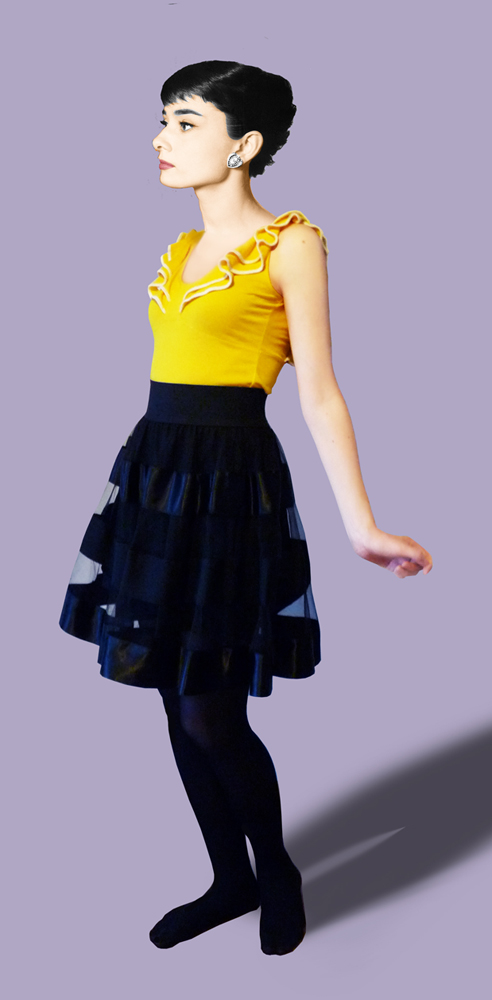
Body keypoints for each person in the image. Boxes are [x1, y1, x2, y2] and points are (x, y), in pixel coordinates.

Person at [59, 60, 432, 956]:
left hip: (228, 485)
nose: (161, 139)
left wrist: (361, 525)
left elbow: (320, 391)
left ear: (245, 144)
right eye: (163, 120)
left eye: (185, 123)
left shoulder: (291, 242)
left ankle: (277, 873)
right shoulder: (178, 252)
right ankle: (228, 878)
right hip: (155, 476)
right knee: (169, 694)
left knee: (208, 711)